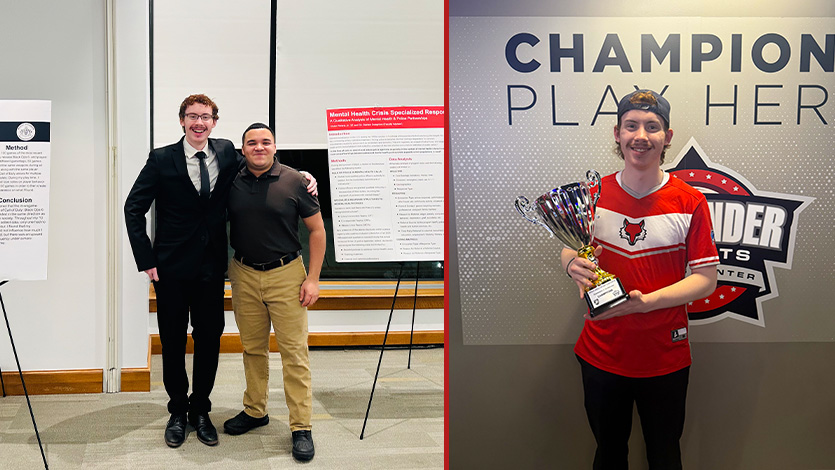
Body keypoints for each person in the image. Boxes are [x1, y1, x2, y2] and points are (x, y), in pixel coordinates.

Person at [124, 95, 316, 448]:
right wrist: (146, 259)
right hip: (169, 269)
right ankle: (178, 411)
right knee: (172, 341)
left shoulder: (227, 152)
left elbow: (263, 162)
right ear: (182, 120)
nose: (199, 122)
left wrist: (302, 175)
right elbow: (133, 208)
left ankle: (201, 410)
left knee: (209, 339)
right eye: (192, 116)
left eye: (206, 117)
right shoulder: (161, 159)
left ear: (214, 122)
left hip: (212, 266)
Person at [561, 89, 719, 469]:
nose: (641, 136)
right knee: (609, 454)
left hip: (665, 356)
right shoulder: (593, 194)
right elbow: (573, 246)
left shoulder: (689, 201)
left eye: (653, 126)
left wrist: (647, 302)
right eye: (631, 126)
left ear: (667, 136)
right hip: (601, 354)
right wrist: (570, 263)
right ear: (617, 133)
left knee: (665, 455)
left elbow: (706, 279)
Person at [223, 122, 325, 462]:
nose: (258, 147)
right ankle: (255, 410)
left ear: (275, 145)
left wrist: (313, 279)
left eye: (265, 141)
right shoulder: (233, 178)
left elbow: (317, 231)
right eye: (251, 143)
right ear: (243, 149)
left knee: (294, 353)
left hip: (286, 276)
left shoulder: (295, 180)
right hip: (243, 273)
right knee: (252, 349)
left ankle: (301, 427)